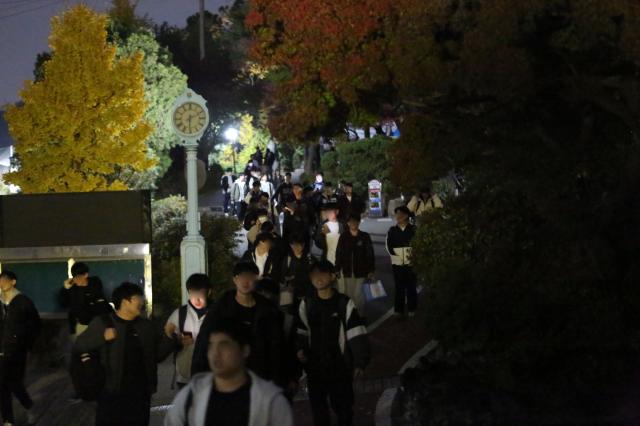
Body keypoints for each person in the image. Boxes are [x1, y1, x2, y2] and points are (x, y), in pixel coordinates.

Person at [74, 283, 175, 426]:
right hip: (110, 394)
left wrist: (169, 337)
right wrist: (102, 337)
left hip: (140, 395)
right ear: (125, 301)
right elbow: (79, 346)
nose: (143, 301)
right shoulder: (103, 323)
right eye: (139, 298)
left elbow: (157, 356)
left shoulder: (146, 326)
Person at [165, 319, 293, 426]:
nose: (215, 353)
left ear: (244, 350)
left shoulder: (271, 402)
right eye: (211, 345)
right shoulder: (190, 397)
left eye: (224, 345)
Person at [296, 260, 371, 426]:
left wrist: (360, 362)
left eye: (322, 274)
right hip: (315, 367)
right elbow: (301, 331)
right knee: (319, 411)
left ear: (332, 276)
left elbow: (356, 332)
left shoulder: (344, 303)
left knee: (343, 409)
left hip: (340, 367)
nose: (318, 278)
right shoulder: (307, 303)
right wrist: (300, 349)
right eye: (314, 275)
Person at [191, 262, 284, 387]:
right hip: (227, 375)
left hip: (260, 375)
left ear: (256, 279)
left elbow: (277, 345)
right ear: (234, 280)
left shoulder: (267, 309)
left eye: (250, 277)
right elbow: (203, 342)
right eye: (241, 277)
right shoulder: (220, 308)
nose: (246, 281)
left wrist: (280, 379)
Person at [0, 271, 41, 426]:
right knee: (2, 385)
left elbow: (35, 325)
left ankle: (29, 406)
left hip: (17, 350)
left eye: (4, 280)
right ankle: (8, 420)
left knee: (15, 383)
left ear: (13, 282)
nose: (1, 283)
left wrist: (26, 343)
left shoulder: (23, 302)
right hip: (1, 349)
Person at [164, 274, 212, 389]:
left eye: (200, 293)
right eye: (192, 293)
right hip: (185, 376)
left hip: (211, 375)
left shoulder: (217, 313)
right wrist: (177, 340)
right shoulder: (180, 313)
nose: (197, 299)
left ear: (209, 292)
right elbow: (167, 337)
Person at [334, 213, 375, 315]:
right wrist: (337, 268)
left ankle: (360, 315)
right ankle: (351, 315)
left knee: (358, 293)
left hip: (361, 270)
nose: (353, 223)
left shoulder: (364, 236)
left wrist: (371, 270)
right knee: (349, 294)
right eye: (350, 221)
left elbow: (370, 254)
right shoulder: (344, 237)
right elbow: (339, 253)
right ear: (347, 223)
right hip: (348, 270)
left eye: (355, 221)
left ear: (359, 222)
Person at [60, 262, 111, 340]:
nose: (77, 280)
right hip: (81, 325)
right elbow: (65, 305)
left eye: (79, 277)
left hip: (98, 323)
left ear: (86, 275)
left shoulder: (95, 283)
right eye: (74, 277)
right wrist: (66, 289)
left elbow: (100, 302)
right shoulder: (73, 289)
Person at [386, 206, 418, 317]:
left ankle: (412, 308)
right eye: (397, 214)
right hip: (397, 263)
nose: (397, 216)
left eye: (400, 214)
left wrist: (413, 257)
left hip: (411, 262)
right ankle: (398, 310)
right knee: (399, 286)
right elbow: (389, 246)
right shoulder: (392, 230)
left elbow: (418, 245)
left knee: (411, 286)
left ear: (406, 216)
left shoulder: (413, 229)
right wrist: (396, 255)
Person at [280, 233, 316, 308]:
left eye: (300, 245)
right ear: (291, 245)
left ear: (303, 245)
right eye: (294, 245)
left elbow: (314, 274)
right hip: (292, 292)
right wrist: (287, 278)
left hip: (307, 292)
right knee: (291, 313)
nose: (297, 247)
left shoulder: (310, 258)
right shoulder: (288, 259)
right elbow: (283, 274)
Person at [314, 197, 344, 265]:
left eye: (330, 211)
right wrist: (324, 238)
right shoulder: (323, 225)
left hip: (341, 258)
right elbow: (318, 241)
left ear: (337, 212)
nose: (328, 214)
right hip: (327, 258)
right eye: (327, 212)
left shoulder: (342, 225)